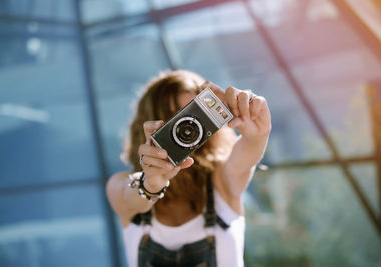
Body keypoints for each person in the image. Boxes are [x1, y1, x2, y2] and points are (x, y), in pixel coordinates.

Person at [106, 70, 271, 267]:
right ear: (153, 124)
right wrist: (150, 184)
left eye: (196, 116)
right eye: (176, 120)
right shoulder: (122, 185)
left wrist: (257, 135)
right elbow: (131, 197)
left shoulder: (221, 181)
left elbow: (245, 158)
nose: (188, 129)